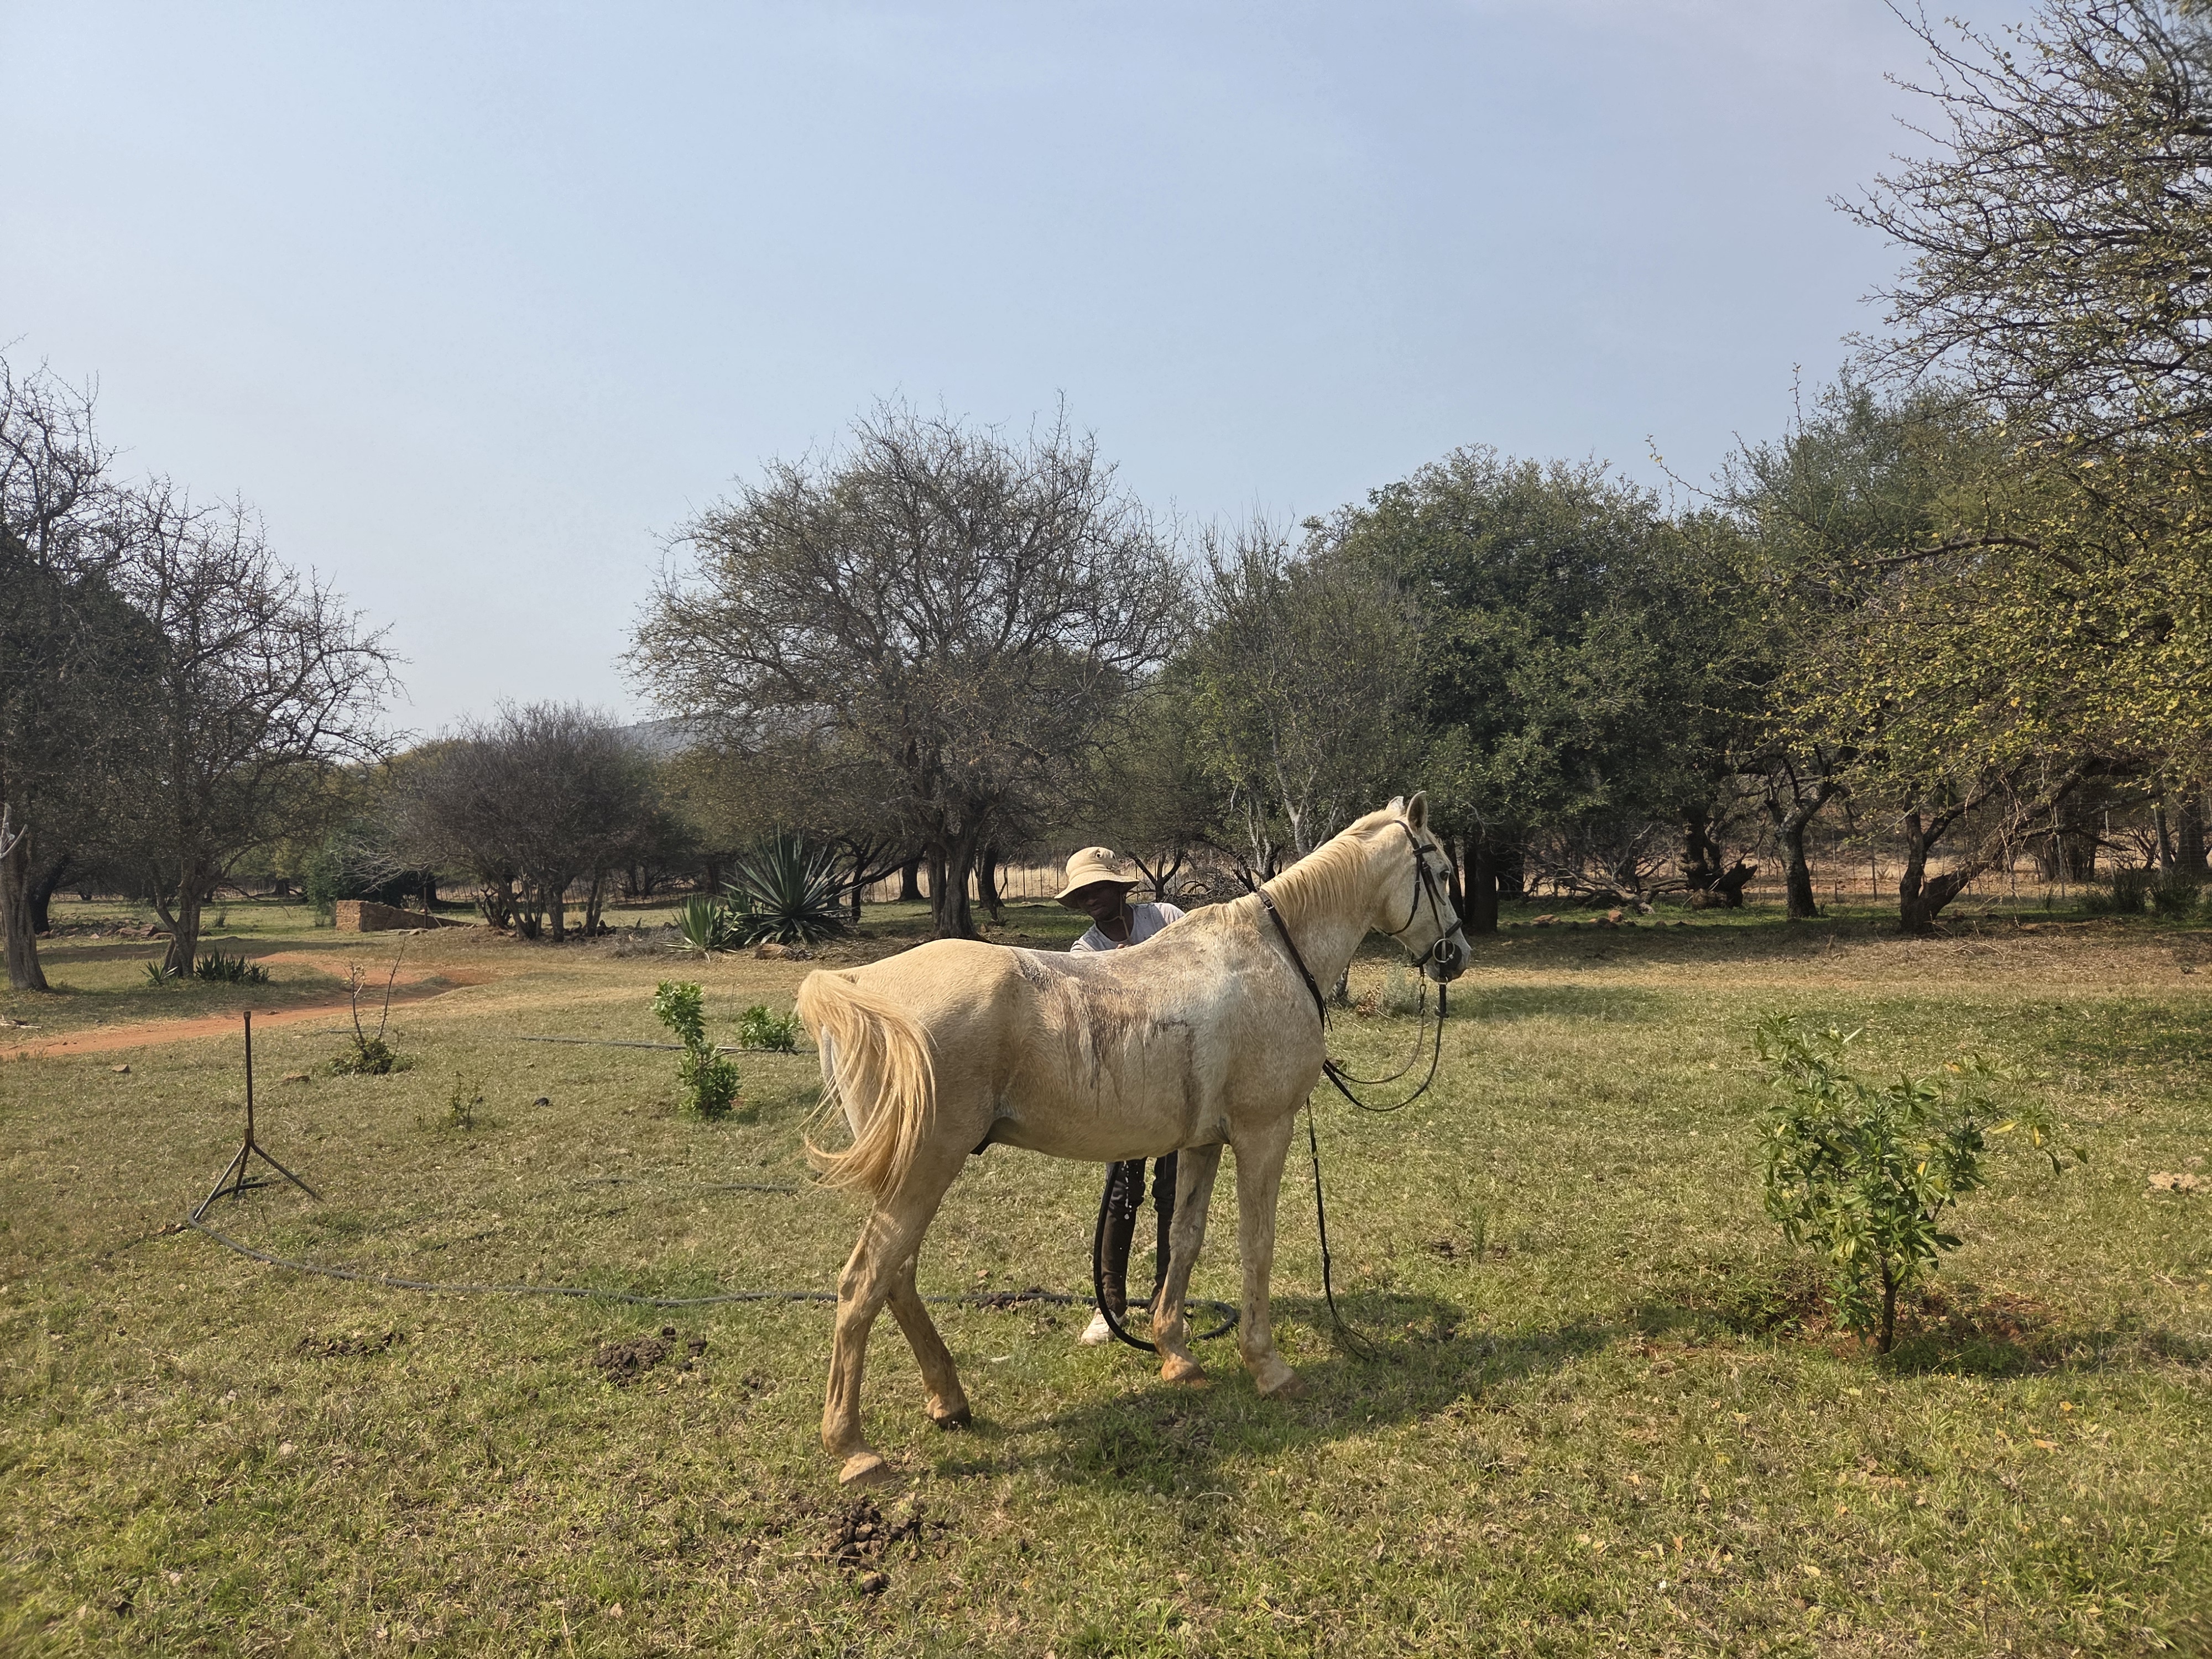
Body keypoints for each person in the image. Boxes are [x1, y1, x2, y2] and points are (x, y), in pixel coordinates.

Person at [1056, 846, 1187, 1345]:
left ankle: (1166, 1299)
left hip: (1180, 1078)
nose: (1092, 898)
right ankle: (1109, 1305)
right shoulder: (1084, 954)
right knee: (1122, 1192)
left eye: (1099, 888)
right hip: (1127, 1086)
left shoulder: (1167, 917)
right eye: (1084, 892)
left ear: (1118, 888)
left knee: (1173, 1193)